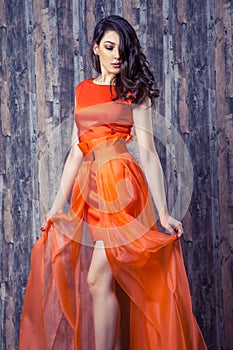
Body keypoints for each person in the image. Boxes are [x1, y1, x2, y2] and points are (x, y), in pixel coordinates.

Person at [19, 15, 207, 350]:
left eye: (122, 49)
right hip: (91, 192)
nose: (116, 55)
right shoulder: (82, 90)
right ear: (96, 49)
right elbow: (78, 150)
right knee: (104, 281)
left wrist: (163, 214)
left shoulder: (135, 92)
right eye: (109, 47)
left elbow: (148, 153)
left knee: (96, 277)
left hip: (122, 186)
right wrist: (54, 207)